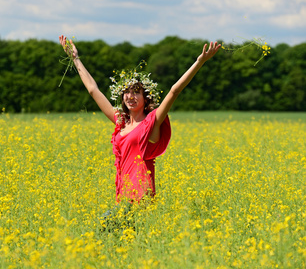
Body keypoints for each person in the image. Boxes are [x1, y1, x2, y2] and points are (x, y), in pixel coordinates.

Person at [59, 35, 221, 205]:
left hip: (141, 198)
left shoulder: (152, 122)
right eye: (127, 92)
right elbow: (93, 90)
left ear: (146, 98)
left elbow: (174, 91)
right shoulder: (121, 122)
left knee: (106, 227)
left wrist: (200, 62)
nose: (131, 96)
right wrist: (75, 58)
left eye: (136, 92)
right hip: (123, 197)